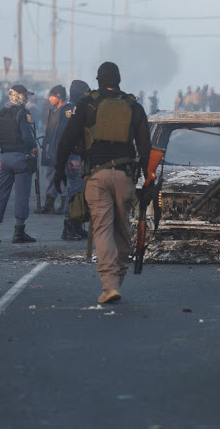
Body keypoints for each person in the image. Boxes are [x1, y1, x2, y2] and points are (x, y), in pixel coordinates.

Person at [54, 62, 151, 304]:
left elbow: (67, 139)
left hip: (96, 176)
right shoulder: (134, 106)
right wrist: (148, 179)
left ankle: (109, 285)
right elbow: (146, 147)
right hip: (125, 176)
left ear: (98, 81)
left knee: (102, 229)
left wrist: (59, 170)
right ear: (119, 80)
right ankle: (117, 277)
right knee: (123, 230)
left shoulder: (86, 105)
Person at [0, 85, 38, 243]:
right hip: (20, 158)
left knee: (0, 195)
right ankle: (19, 233)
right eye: (24, 95)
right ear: (18, 96)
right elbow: (27, 136)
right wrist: (34, 148)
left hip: (5, 158)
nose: (26, 98)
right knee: (22, 196)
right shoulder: (22, 113)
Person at [60, 80, 90, 241]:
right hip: (73, 158)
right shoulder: (70, 111)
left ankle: (77, 225)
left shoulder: (77, 109)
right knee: (74, 192)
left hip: (78, 156)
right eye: (86, 92)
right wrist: (72, 157)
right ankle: (68, 227)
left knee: (80, 191)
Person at [37, 85, 67, 215]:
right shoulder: (53, 111)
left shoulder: (67, 112)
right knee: (51, 177)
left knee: (63, 177)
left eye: (52, 96)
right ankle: (49, 203)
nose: (49, 99)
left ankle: (65, 204)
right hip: (51, 151)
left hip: (61, 151)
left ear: (58, 96)